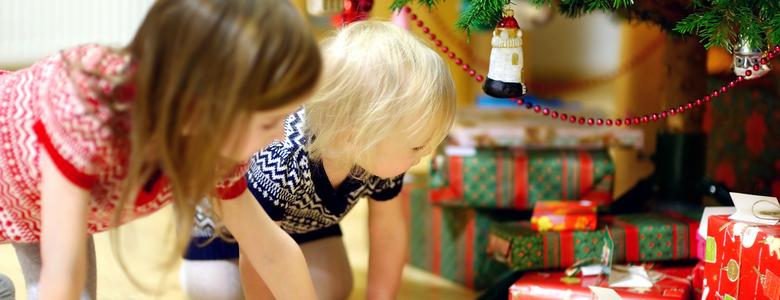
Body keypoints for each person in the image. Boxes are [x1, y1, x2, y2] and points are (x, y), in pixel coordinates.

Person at [0, 0, 322, 299]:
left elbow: (270, 251)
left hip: (43, 200)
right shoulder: (86, 116)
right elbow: (63, 275)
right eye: (269, 122)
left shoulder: (212, 147)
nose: (282, 137)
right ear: (200, 108)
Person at [180, 20, 456, 300]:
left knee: (336, 285)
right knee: (221, 294)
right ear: (356, 136)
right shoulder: (283, 160)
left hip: (303, 227)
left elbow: (388, 233)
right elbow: (260, 253)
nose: (423, 154)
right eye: (417, 146)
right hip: (223, 232)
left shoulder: (381, 157)